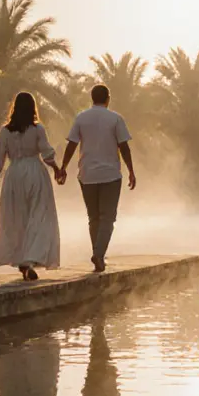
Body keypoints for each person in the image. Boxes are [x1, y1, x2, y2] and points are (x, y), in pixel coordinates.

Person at [57, 84, 135, 273]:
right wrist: (131, 171)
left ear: (92, 98)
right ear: (108, 98)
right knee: (107, 217)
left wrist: (63, 167)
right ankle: (99, 255)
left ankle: (97, 253)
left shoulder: (81, 118)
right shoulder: (115, 118)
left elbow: (72, 145)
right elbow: (124, 146)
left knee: (94, 217)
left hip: (87, 174)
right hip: (110, 175)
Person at [0, 92, 63, 280]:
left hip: (14, 174)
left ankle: (23, 260)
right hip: (35, 172)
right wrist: (56, 168)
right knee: (38, 217)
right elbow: (46, 152)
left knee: (17, 218)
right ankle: (29, 260)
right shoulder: (37, 130)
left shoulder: (5, 131)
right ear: (32, 108)